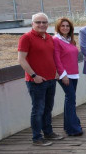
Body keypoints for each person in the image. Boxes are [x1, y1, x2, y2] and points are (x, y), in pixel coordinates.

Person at [18, 13, 62, 146]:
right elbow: (21, 59)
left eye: (44, 22)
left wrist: (55, 72)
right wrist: (34, 76)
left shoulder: (49, 38)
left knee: (48, 108)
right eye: (38, 22)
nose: (41, 25)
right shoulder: (26, 38)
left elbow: (50, 57)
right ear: (32, 24)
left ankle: (48, 132)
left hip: (51, 79)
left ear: (48, 24)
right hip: (36, 81)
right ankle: (37, 138)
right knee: (38, 110)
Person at [52, 17, 83, 137]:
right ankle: (73, 129)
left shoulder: (70, 40)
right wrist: (62, 75)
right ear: (58, 28)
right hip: (64, 75)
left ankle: (68, 126)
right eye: (62, 26)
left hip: (74, 74)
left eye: (67, 26)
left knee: (69, 100)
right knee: (71, 99)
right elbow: (56, 59)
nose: (65, 28)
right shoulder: (56, 40)